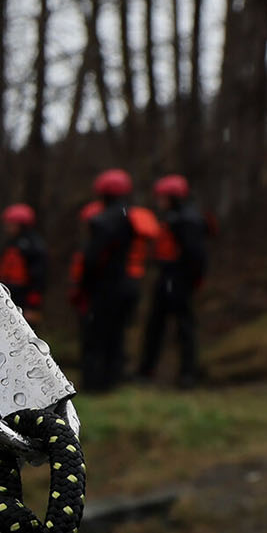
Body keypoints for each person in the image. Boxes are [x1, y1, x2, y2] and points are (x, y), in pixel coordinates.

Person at [72, 168, 155, 393]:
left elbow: (92, 259)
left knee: (95, 336)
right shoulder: (129, 217)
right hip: (126, 285)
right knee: (115, 335)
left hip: (104, 288)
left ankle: (93, 384)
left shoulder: (103, 220)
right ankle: (111, 381)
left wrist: (82, 286)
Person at [138, 174, 211, 387]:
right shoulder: (174, 216)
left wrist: (194, 279)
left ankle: (187, 374)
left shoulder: (187, 219)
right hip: (168, 277)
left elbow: (195, 254)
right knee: (156, 326)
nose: (159, 201)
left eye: (163, 197)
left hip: (179, 279)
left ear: (174, 197)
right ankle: (147, 370)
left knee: (184, 327)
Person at [0, 203, 47, 322]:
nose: (7, 228)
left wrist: (33, 305)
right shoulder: (11, 244)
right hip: (9, 295)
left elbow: (38, 276)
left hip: (24, 298)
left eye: (10, 224)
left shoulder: (33, 246)